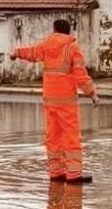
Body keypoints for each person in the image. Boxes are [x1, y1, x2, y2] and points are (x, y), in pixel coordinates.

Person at [10, 19, 100, 183]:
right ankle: (74, 174)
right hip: (66, 100)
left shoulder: (46, 45)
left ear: (54, 29)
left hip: (50, 99)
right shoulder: (73, 48)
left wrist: (16, 52)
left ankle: (56, 172)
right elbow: (80, 75)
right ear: (69, 31)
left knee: (53, 136)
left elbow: (31, 53)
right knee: (71, 137)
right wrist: (92, 93)